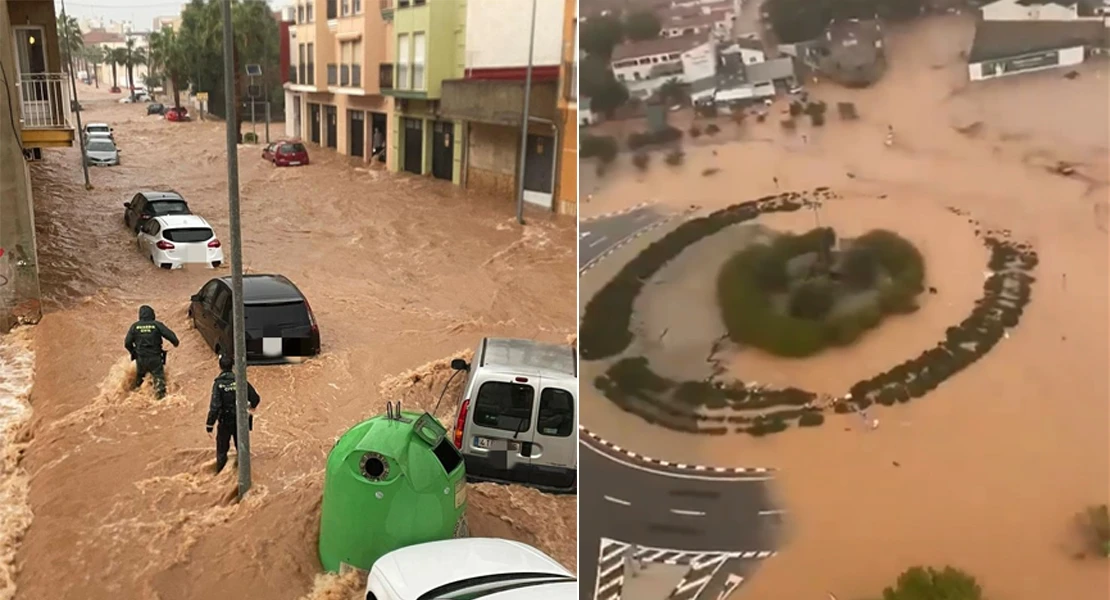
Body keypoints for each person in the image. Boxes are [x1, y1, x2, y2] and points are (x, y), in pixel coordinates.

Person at [206, 354, 261, 474]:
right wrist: (250, 408)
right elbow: (255, 398)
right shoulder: (241, 381)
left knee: (222, 450)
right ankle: (244, 473)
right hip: (240, 421)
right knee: (242, 449)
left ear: (220, 367)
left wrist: (209, 425)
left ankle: (220, 476)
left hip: (225, 421)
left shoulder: (218, 384)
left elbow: (215, 406)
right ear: (232, 366)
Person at [124, 305, 179, 399]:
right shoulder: (157, 325)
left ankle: (135, 399)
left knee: (140, 380)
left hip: (141, 359)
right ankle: (161, 401)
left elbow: (127, 343)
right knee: (159, 381)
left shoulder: (134, 326)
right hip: (155, 358)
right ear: (152, 314)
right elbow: (172, 337)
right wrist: (175, 343)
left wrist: (133, 352)